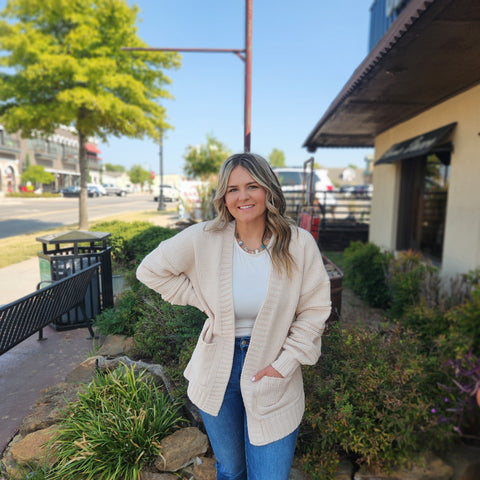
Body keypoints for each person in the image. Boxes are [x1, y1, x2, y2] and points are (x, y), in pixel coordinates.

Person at [136, 153, 331, 480]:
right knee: (231, 470)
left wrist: (283, 365)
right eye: (232, 189)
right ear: (223, 198)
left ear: (268, 190)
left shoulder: (298, 244)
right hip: (217, 371)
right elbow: (150, 270)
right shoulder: (204, 238)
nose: (242, 196)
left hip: (273, 371)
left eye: (252, 186)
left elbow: (314, 311)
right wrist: (203, 301)